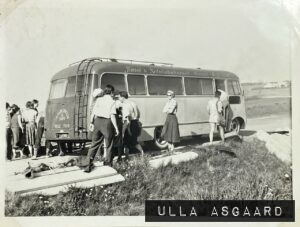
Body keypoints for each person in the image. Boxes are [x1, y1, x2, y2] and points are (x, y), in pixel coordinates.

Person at [84, 85, 119, 172]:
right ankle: (108, 164)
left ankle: (87, 165)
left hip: (97, 121)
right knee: (109, 144)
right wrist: (116, 128)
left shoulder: (99, 99)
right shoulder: (112, 101)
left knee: (94, 144)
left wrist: (91, 123)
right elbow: (112, 116)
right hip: (107, 122)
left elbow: (93, 113)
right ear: (111, 92)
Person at [118, 91, 144, 158]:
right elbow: (138, 114)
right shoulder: (133, 103)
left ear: (123, 97)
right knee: (134, 141)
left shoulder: (125, 105)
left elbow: (128, 117)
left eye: (119, 97)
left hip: (128, 124)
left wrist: (128, 128)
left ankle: (126, 157)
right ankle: (142, 152)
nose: (118, 98)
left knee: (125, 142)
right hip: (135, 122)